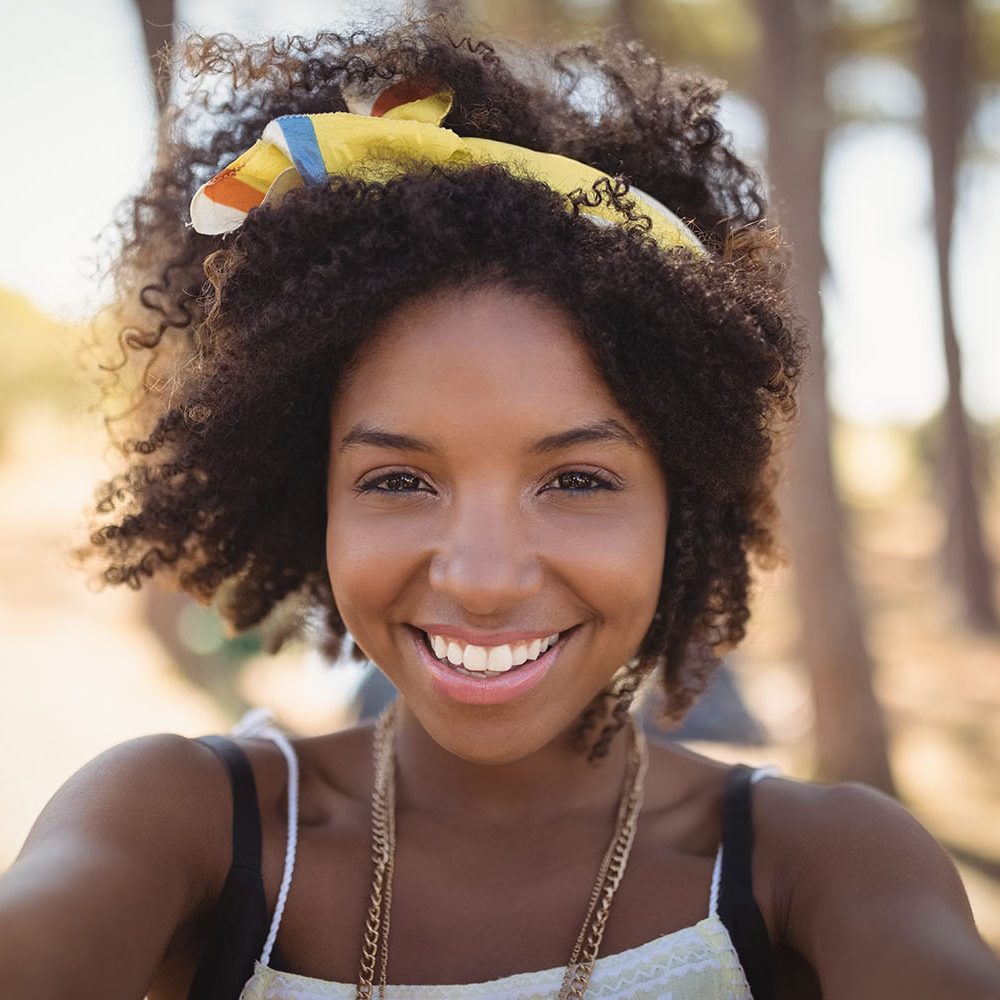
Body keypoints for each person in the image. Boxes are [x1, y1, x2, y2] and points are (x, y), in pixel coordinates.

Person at [1, 16, 998, 1000]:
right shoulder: (182, 826)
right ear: (315, 498)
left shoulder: (818, 870)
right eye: (397, 480)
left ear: (678, 503)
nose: (480, 577)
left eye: (574, 481)